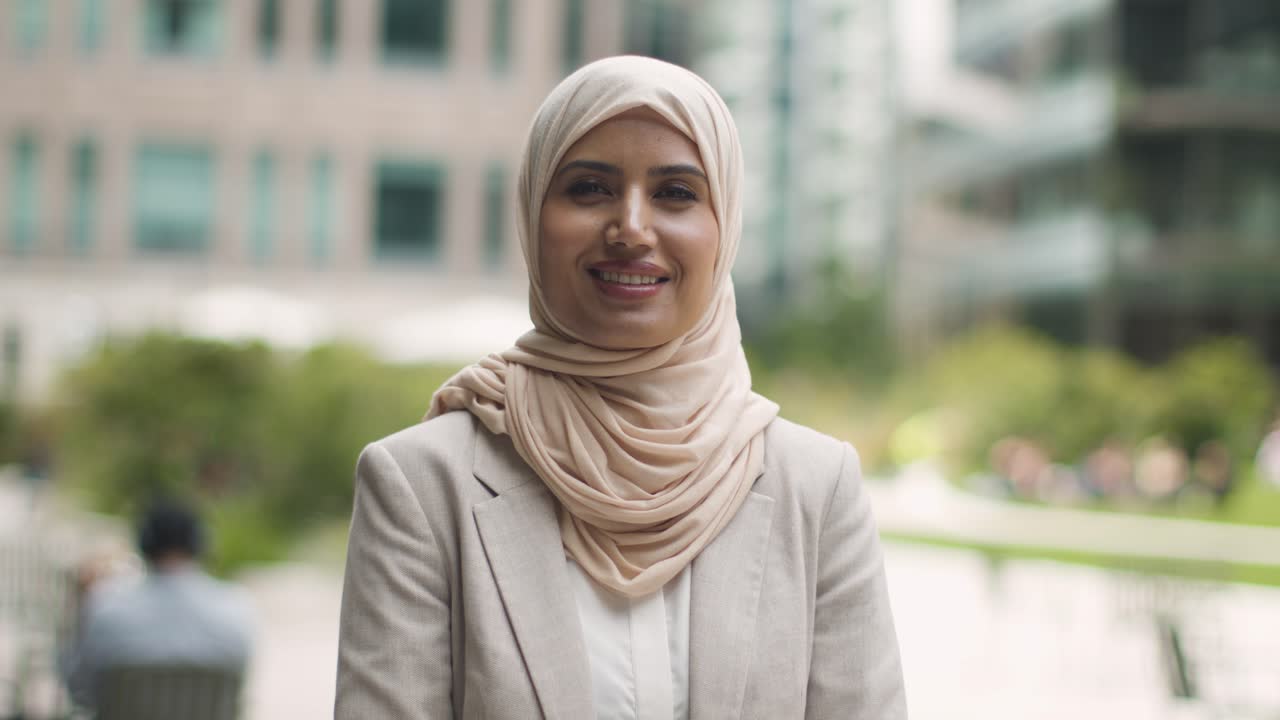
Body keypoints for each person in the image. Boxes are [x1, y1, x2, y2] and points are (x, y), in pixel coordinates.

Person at [336, 56, 907, 719]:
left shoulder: (816, 487)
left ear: (725, 228)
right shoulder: (421, 483)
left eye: (676, 193)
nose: (632, 228)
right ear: (531, 214)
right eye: (588, 188)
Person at [62, 500, 254, 709]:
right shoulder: (235, 607)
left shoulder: (105, 605)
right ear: (200, 544)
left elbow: (79, 687)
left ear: (143, 542)